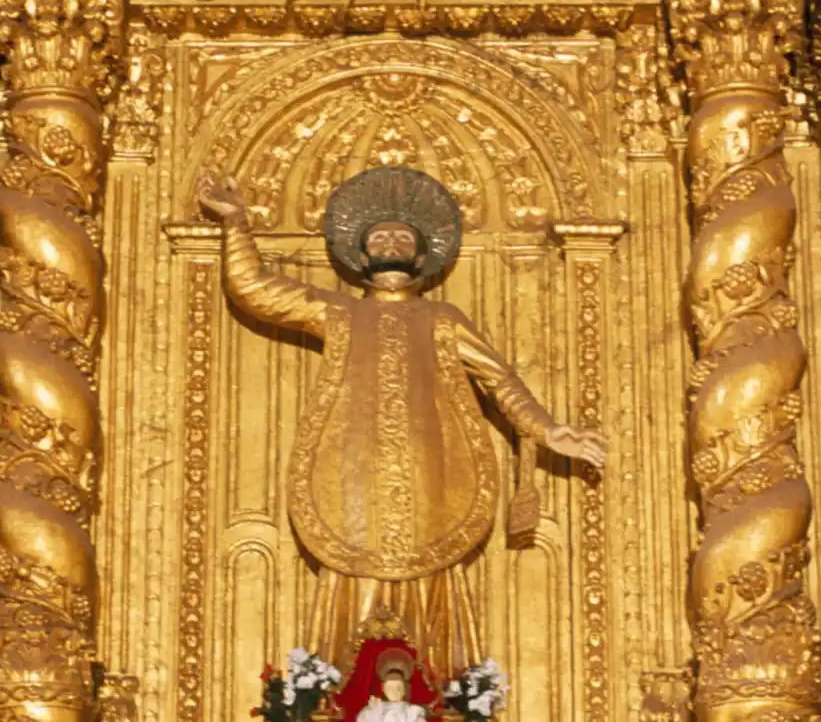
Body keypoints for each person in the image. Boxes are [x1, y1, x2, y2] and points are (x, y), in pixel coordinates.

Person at [197, 166, 607, 675]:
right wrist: (235, 223)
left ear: (421, 254)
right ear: (361, 252)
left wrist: (545, 428)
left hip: (430, 483)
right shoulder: (339, 313)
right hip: (354, 482)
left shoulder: (441, 320)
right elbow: (255, 289)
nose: (390, 243)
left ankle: (443, 688)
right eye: (380, 237)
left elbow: (498, 379)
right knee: (354, 563)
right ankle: (338, 686)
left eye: (402, 238)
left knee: (431, 572)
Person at [357, 650, 426, 722]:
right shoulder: (377, 709)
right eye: (390, 688)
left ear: (405, 689)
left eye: (398, 688)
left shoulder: (412, 712)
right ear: (383, 689)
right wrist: (373, 711)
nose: (394, 692)